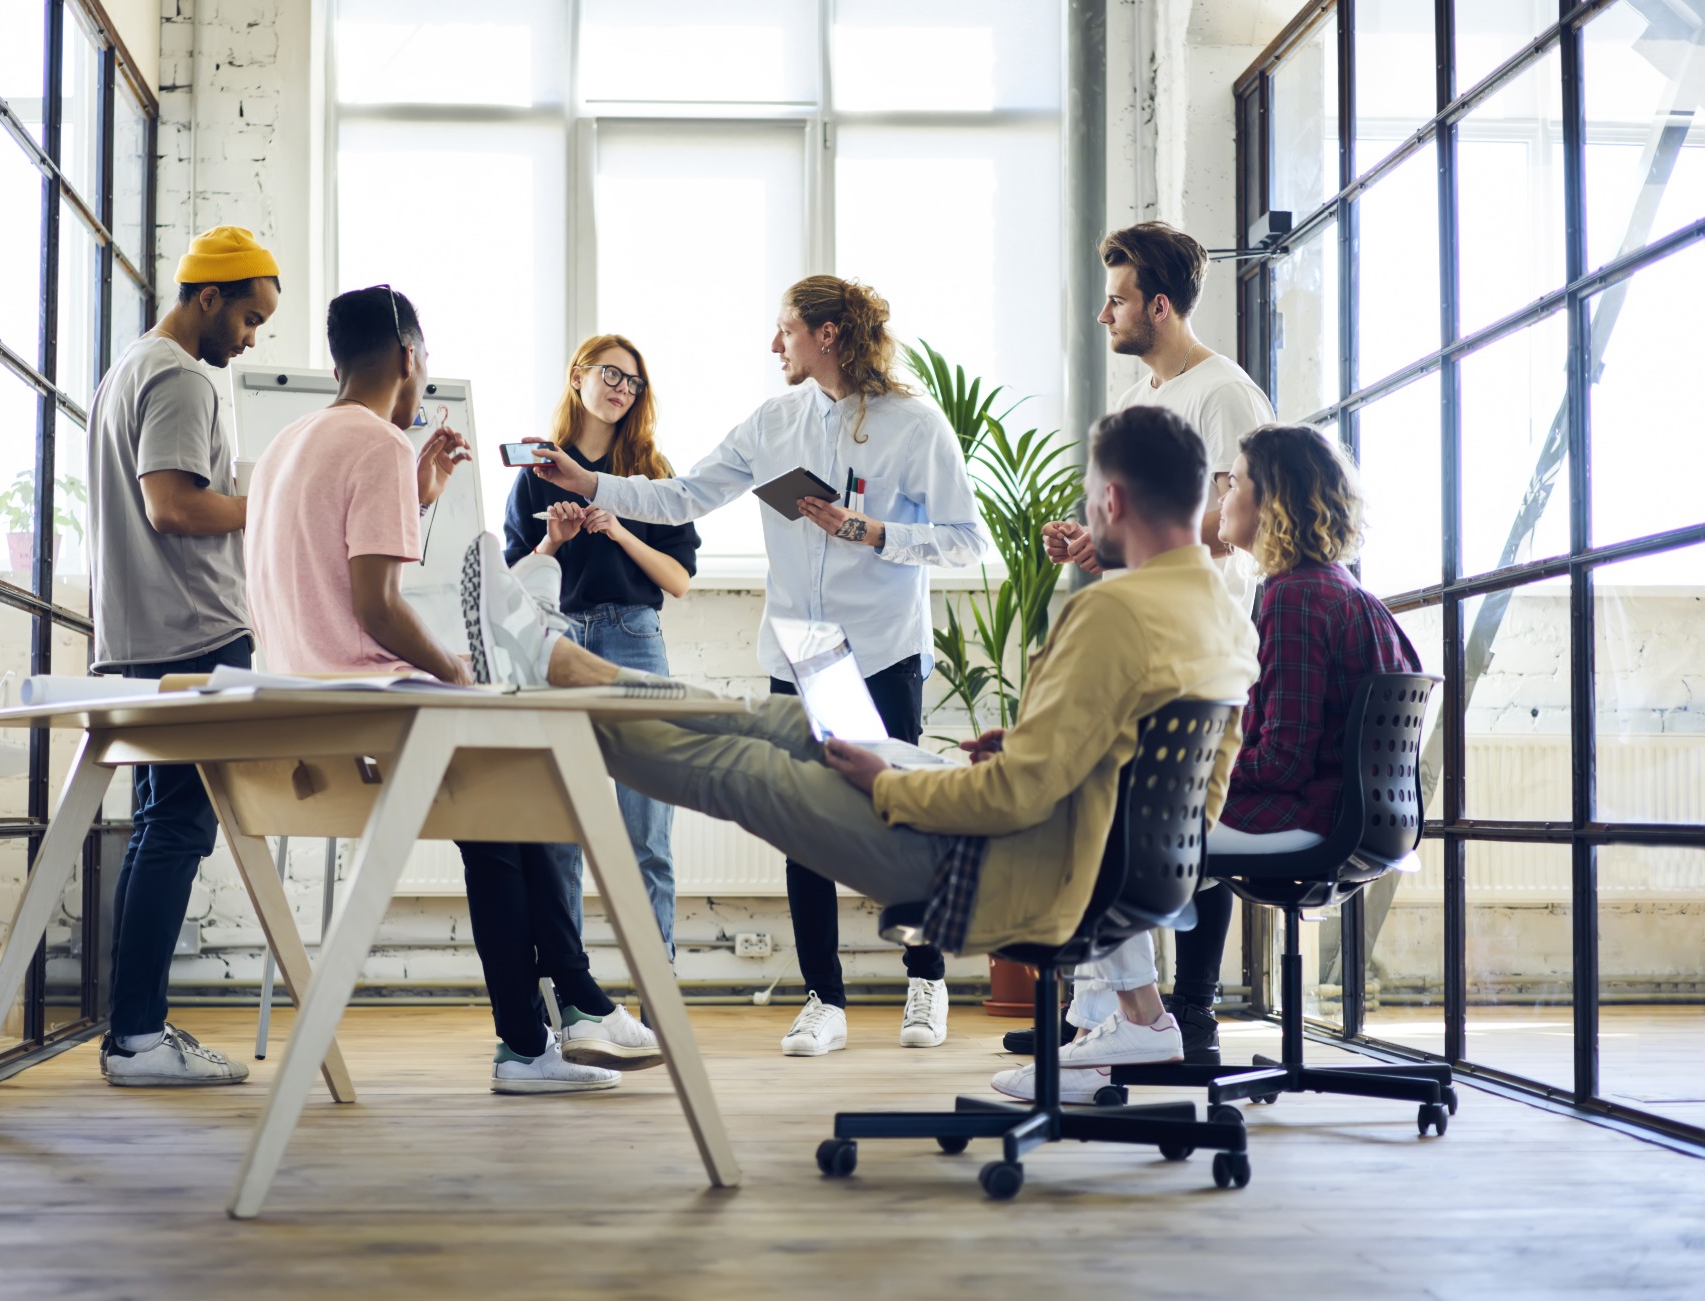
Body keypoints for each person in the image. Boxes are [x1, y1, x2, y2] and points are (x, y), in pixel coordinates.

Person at [461, 404, 1259, 1104]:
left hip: (1004, 868)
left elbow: (1017, 798)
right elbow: (1155, 784)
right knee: (772, 723)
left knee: (748, 767)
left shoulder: (1114, 613)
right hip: (1081, 856)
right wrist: (1012, 755)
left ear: (1111, 500)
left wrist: (892, 785)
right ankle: (573, 667)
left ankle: (552, 683)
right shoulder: (1221, 621)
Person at [528, 277, 984, 1056]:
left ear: (829, 334)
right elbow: (682, 497)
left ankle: (925, 977)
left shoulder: (916, 425)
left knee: (907, 815)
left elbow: (966, 539)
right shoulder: (774, 422)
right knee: (800, 822)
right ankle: (823, 998)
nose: (775, 347)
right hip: (802, 652)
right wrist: (591, 483)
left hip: (881, 648)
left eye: (786, 332)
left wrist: (875, 534)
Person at [244, 283, 663, 1094]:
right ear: (409, 358)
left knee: (508, 811)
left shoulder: (289, 443)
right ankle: (554, 1018)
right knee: (529, 786)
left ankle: (550, 1025)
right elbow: (376, 607)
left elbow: (323, 576)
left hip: (305, 707)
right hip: (380, 703)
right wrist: (455, 671)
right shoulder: (376, 445)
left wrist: (419, 496)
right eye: (424, 360)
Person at [1034, 222, 1279, 1067]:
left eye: (1118, 299)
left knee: (1182, 824)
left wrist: (1138, 535)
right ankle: (1104, 1015)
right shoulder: (1140, 403)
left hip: (1195, 636)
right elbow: (1144, 525)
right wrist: (1092, 543)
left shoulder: (1226, 395)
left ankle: (1192, 1011)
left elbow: (1230, 523)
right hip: (1137, 627)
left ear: (1161, 307)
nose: (1106, 315)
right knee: (1110, 813)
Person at [87, 225, 279, 1088]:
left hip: (140, 637)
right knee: (179, 830)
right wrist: (266, 503)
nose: (249, 340)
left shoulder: (127, 369)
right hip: (192, 635)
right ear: (208, 297)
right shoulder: (179, 379)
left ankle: (136, 1031)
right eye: (247, 320)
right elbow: (175, 508)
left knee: (160, 830)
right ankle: (136, 1038)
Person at [504, 336, 700, 957]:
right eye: (611, 374)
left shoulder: (653, 474)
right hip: (559, 642)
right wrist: (553, 544)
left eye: (634, 382)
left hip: (634, 640)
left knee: (647, 838)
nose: (622, 388)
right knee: (561, 836)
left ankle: (656, 994)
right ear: (578, 377)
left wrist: (618, 529)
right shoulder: (536, 473)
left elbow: (679, 580)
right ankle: (573, 998)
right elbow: (508, 590)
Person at [1210, 425, 1422, 853]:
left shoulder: (1295, 597)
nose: (1221, 498)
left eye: (1233, 484)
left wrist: (1196, 771)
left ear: (1272, 501)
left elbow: (1281, 764)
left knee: (1131, 813)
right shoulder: (1341, 589)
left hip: (1314, 815)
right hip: (1370, 817)